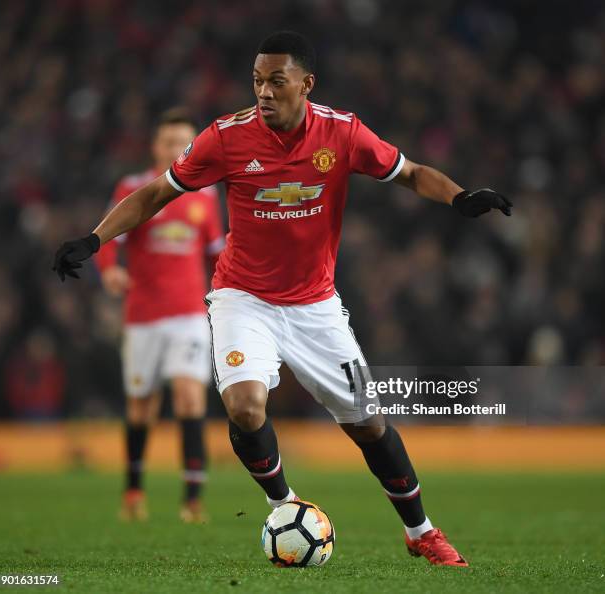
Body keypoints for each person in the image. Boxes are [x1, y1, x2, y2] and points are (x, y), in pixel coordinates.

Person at [54, 31, 512, 566]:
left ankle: (422, 532)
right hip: (240, 299)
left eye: (276, 81)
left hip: (318, 305)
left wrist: (458, 196)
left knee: (370, 422)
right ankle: (285, 505)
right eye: (256, 81)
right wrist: (95, 239)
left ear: (306, 84)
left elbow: (408, 172)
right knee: (245, 407)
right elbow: (157, 192)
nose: (264, 92)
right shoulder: (225, 137)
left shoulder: (343, 132)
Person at [94, 108, 225, 523]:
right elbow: (110, 236)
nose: (176, 150)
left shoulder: (204, 194)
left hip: (188, 314)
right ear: (156, 146)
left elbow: (216, 252)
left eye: (184, 143)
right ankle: (133, 492)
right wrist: (109, 269)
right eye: (169, 142)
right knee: (141, 408)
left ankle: (193, 500)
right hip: (143, 316)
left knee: (189, 397)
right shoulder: (134, 187)